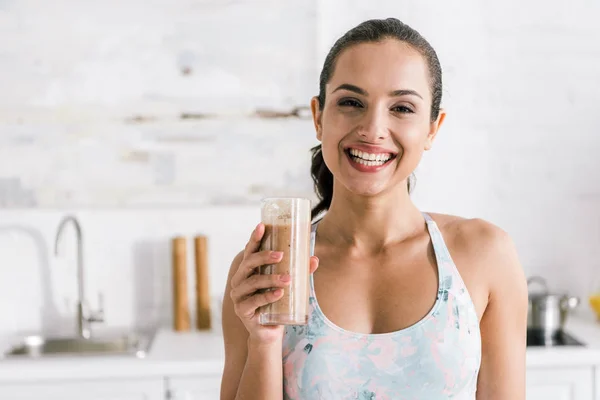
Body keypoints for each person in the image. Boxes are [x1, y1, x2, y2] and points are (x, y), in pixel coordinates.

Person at [221, 17, 527, 400]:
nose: (373, 128)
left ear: (433, 128)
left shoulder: (485, 254)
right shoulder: (267, 271)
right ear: (318, 117)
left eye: (401, 108)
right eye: (351, 102)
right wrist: (264, 341)